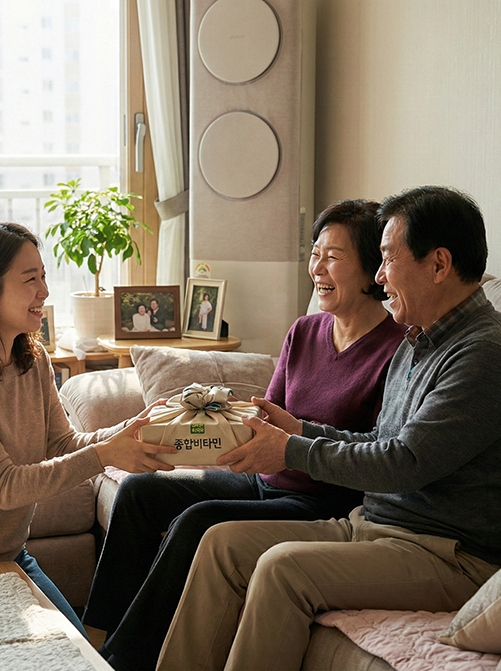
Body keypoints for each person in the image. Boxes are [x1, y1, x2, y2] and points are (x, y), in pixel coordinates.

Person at [157, 186, 501, 671]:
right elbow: (381, 442)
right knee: (221, 543)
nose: (379, 278)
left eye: (386, 260)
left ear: (439, 264)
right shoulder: (420, 340)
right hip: (376, 528)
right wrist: (299, 428)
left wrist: (291, 450)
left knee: (282, 569)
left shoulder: (486, 355)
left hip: (450, 557)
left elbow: (405, 462)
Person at [83, 199, 407, 671]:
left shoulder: (395, 350)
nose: (317, 268)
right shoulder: (304, 331)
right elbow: (264, 417)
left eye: (332, 257)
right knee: (139, 491)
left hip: (324, 501)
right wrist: (195, 426)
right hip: (265, 481)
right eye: (315, 253)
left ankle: (123, 660)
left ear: (372, 270)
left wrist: (286, 450)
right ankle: (95, 639)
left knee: (199, 521)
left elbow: (377, 451)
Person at [0, 221, 176, 638]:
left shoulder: (33, 358)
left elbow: (60, 443)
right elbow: (3, 487)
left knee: (80, 656)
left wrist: (125, 434)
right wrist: (103, 455)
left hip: (9, 556)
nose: (44, 291)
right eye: (30, 279)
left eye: (44, 277)